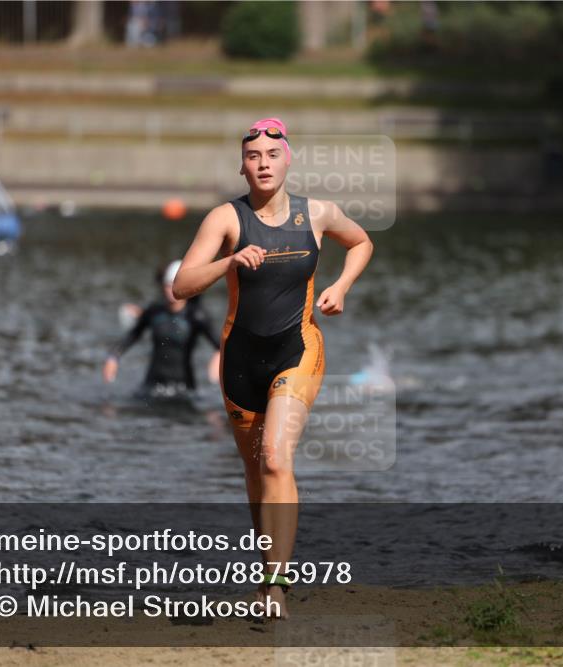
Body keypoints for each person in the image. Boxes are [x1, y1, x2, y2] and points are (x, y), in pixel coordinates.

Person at [171, 118, 373, 619]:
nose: (263, 163)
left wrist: (341, 287)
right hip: (240, 360)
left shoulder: (318, 213)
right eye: (254, 157)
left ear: (289, 160)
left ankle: (277, 587)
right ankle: (267, 575)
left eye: (272, 155)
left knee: (278, 459)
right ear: (242, 167)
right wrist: (229, 263)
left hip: (297, 349)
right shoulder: (225, 219)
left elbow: (363, 242)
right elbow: (181, 285)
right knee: (257, 474)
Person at [103, 260, 220, 397]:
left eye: (175, 285)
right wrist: (113, 357)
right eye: (168, 285)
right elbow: (132, 336)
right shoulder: (154, 312)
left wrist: (217, 359)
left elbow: (220, 345)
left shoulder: (196, 316)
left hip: (183, 389)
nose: (171, 290)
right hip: (152, 386)